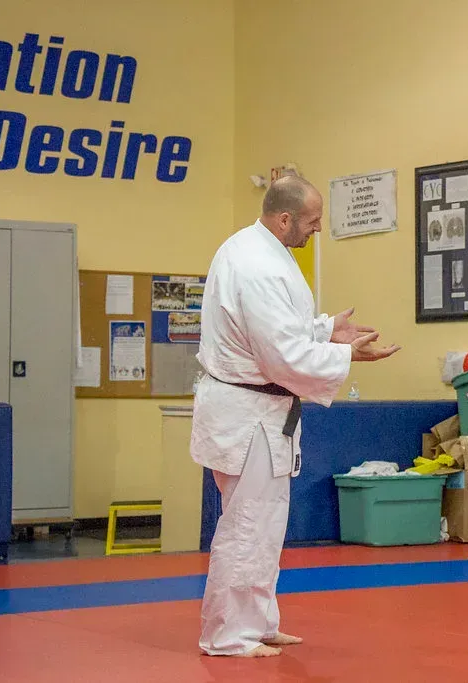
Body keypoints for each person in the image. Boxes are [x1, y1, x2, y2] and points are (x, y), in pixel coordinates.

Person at [191, 173, 400, 658]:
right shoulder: (255, 264)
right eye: (312, 221)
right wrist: (347, 356)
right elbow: (280, 354)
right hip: (248, 413)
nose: (318, 229)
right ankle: (227, 635)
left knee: (264, 523)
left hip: (261, 410)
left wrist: (326, 329)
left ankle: (258, 622)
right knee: (246, 524)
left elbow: (279, 328)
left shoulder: (259, 250)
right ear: (284, 219)